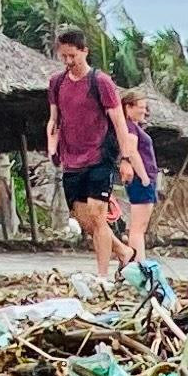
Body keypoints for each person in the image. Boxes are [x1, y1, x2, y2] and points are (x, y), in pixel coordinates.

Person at [45, 26, 127, 282]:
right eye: (64, 57)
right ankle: (124, 251)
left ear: (85, 52)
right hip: (71, 159)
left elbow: (119, 122)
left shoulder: (100, 82)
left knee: (97, 215)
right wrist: (52, 145)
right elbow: (54, 120)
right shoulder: (56, 83)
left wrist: (125, 158)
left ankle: (102, 275)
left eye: (73, 56)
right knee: (84, 221)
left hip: (100, 157)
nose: (69, 62)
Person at [113, 85, 163, 274]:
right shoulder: (130, 128)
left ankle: (137, 262)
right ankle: (140, 264)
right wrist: (143, 177)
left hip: (145, 179)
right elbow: (132, 152)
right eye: (141, 106)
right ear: (128, 107)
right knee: (138, 228)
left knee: (139, 227)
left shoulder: (132, 127)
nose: (144, 110)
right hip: (143, 180)